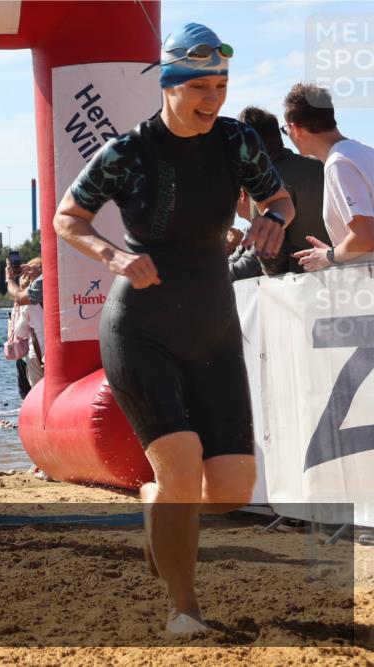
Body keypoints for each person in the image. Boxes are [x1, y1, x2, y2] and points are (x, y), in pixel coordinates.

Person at [53, 23, 294, 635]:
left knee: (232, 487)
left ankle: (157, 504)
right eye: (201, 87)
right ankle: (184, 612)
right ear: (169, 84)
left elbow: (280, 199)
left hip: (212, 325)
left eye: (222, 85)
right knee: (181, 464)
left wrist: (274, 219)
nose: (213, 98)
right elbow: (67, 217)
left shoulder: (237, 141)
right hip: (141, 326)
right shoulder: (129, 152)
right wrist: (113, 257)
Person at [281, 83, 374, 270]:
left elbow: (365, 237)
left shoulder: (338, 163)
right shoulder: (364, 152)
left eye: (286, 129)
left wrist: (330, 256)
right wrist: (335, 252)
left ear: (296, 128)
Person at [237, 105, 328, 275]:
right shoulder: (322, 165)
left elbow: (267, 259)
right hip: (350, 273)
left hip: (302, 285)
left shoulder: (264, 185)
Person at [5, 257, 44, 386]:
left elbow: (21, 331)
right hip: (62, 351)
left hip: (38, 354)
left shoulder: (28, 304)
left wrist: (10, 278)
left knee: (39, 394)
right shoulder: (58, 284)